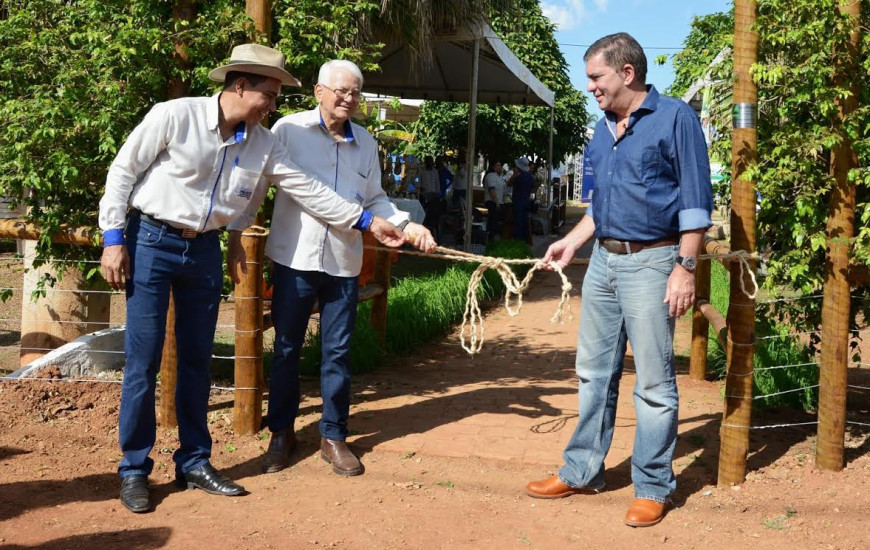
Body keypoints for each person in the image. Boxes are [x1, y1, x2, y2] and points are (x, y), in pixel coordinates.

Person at [98, 44, 406, 514]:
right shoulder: (175, 116)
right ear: (239, 86)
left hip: (204, 248)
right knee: (143, 360)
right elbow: (123, 171)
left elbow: (304, 188)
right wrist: (113, 238)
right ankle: (135, 469)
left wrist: (365, 222)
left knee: (198, 359)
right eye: (269, 94)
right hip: (151, 240)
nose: (273, 106)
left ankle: (194, 461)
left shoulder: (263, 141)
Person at [524, 32, 713, 528]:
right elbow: (602, 205)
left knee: (653, 383)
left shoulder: (676, 118)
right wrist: (574, 240)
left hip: (654, 264)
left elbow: (696, 205)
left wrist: (684, 268)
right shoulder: (602, 127)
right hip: (604, 264)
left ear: (626, 73)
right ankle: (582, 469)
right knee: (593, 373)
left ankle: (653, 485)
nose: (590, 87)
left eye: (595, 77)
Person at [230, 59, 436, 478]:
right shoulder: (288, 130)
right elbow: (259, 183)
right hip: (295, 257)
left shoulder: (366, 143)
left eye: (355, 92)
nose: (348, 98)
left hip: (344, 261)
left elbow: (375, 198)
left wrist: (405, 223)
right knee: (286, 349)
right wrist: (237, 229)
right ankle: (281, 434)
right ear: (318, 92)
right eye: (340, 90)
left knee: (337, 352)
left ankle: (333, 435)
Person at [507, 156, 534, 244]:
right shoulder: (530, 176)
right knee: (525, 222)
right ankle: (525, 241)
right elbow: (533, 188)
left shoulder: (518, 177)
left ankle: (517, 241)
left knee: (518, 222)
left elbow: (509, 184)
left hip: (518, 202)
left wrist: (514, 175)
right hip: (526, 201)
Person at [483, 160, 506, 240]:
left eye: (500, 165)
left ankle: (493, 238)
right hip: (492, 202)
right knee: (492, 222)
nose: (499, 167)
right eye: (497, 165)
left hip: (499, 202)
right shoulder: (490, 176)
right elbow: (491, 190)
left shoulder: (500, 177)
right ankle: (490, 239)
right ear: (493, 167)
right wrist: (496, 202)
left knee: (495, 222)